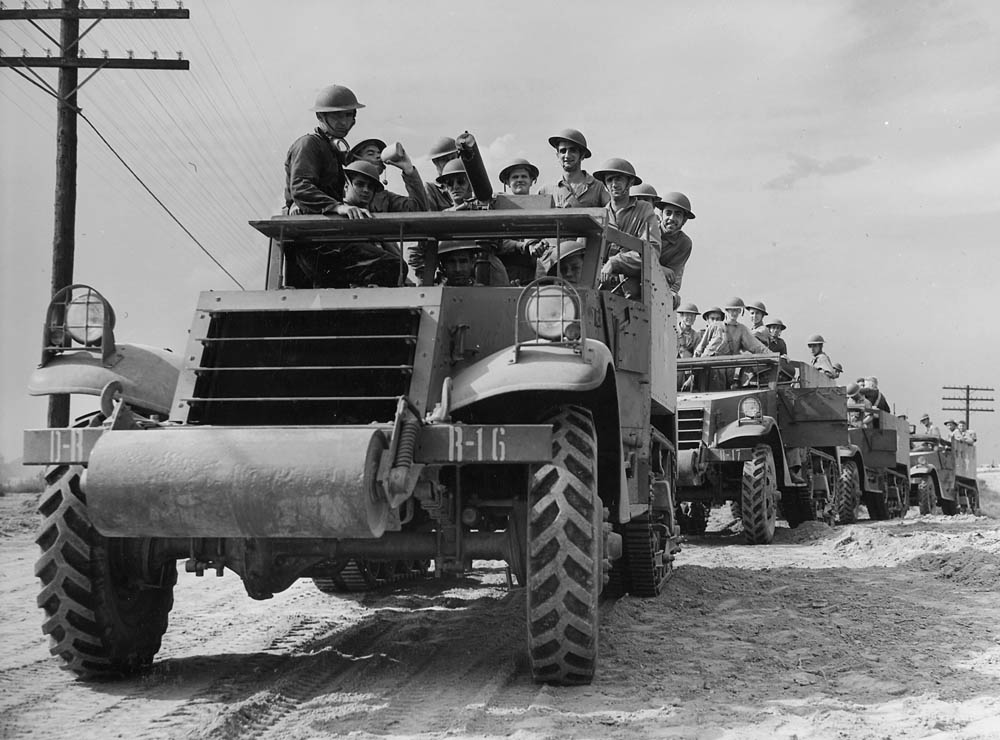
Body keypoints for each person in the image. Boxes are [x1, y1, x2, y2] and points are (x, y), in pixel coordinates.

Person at [293, 160, 405, 288]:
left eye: (370, 187)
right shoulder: (331, 209)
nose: (366, 190)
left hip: (356, 282)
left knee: (397, 266)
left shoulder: (372, 217)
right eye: (360, 184)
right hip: (330, 274)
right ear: (346, 185)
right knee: (392, 265)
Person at [284, 84, 369, 218]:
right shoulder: (308, 144)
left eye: (348, 115)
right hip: (304, 226)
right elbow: (301, 188)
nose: (343, 122)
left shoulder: (332, 150)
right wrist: (336, 207)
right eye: (336, 116)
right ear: (320, 116)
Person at [593, 158, 660, 299]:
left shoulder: (644, 210)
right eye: (610, 180)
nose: (614, 184)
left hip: (635, 295)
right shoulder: (599, 216)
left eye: (619, 179)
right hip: (601, 291)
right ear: (605, 185)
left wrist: (616, 262)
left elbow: (651, 252)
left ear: (630, 183)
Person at [496, 158, 548, 283]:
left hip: (533, 272)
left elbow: (549, 236)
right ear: (507, 182)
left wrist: (541, 245)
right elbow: (497, 241)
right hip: (504, 272)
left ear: (531, 181)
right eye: (515, 177)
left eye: (524, 176)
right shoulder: (498, 207)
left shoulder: (542, 208)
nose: (519, 180)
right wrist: (524, 246)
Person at [348, 138, 429, 212]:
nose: (378, 157)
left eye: (379, 153)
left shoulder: (385, 198)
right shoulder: (338, 190)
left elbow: (419, 208)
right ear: (356, 161)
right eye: (370, 153)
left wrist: (409, 170)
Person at [537, 128, 611, 208]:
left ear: (582, 155)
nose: (567, 155)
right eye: (563, 151)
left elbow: (612, 215)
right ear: (558, 156)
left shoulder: (598, 187)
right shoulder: (546, 191)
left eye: (573, 150)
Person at [694, 298, 769, 357]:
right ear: (727, 311)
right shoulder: (715, 326)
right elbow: (701, 347)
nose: (735, 313)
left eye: (737, 310)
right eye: (732, 310)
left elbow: (756, 346)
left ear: (741, 311)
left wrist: (773, 356)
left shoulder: (742, 329)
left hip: (728, 369)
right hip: (708, 366)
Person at [656, 192, 695, 302]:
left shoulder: (684, 243)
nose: (671, 218)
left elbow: (671, 276)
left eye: (678, 214)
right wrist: (661, 269)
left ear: (684, 220)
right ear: (661, 214)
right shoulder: (648, 229)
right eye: (668, 213)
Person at [424, 136, 460, 211]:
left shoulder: (468, 185)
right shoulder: (431, 189)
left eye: (453, 158)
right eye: (445, 160)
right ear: (435, 162)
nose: (450, 163)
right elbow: (430, 219)